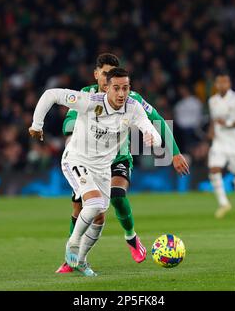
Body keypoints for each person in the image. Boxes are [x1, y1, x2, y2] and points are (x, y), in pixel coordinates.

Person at [57, 53, 189, 273]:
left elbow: (157, 120)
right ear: (97, 74)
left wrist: (174, 152)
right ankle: (73, 258)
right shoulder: (85, 95)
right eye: (105, 73)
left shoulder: (131, 98)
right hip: (87, 159)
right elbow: (69, 119)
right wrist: (71, 138)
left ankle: (131, 238)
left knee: (117, 195)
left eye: (113, 74)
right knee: (81, 207)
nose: (108, 78)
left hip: (118, 157)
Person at [29, 68, 162, 276]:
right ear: (106, 88)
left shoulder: (133, 108)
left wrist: (153, 137)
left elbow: (149, 126)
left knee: (99, 218)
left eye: (125, 88)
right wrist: (37, 124)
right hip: (76, 159)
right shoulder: (90, 101)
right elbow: (51, 95)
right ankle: (72, 246)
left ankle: (81, 261)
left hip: (102, 169)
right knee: (93, 203)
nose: (121, 94)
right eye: (116, 88)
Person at [207, 71, 235, 218]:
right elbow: (214, 120)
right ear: (216, 84)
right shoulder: (212, 100)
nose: (222, 85)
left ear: (229, 83)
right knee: (214, 169)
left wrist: (229, 123)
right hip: (219, 142)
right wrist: (212, 131)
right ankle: (223, 203)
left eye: (225, 82)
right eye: (219, 82)